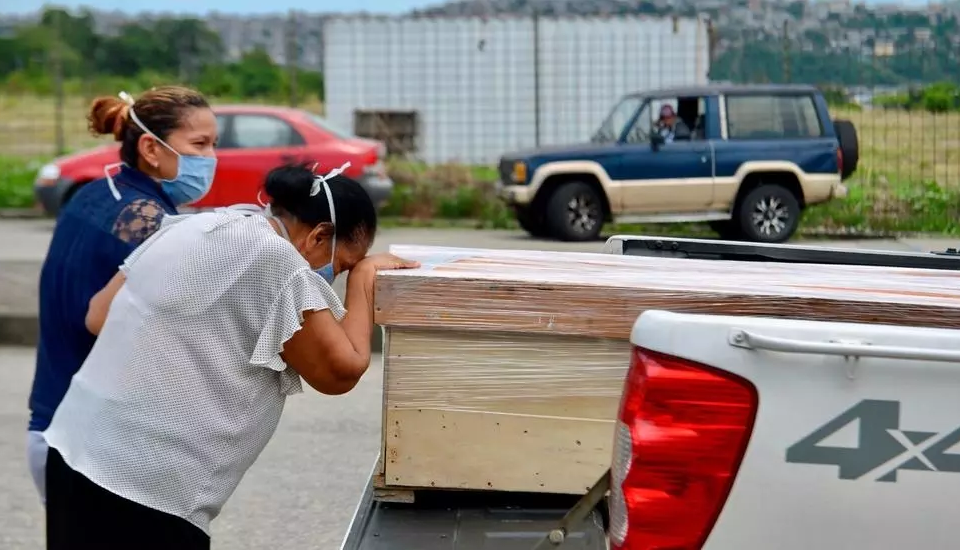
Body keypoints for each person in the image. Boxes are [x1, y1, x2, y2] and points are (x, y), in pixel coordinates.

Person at [42, 162, 419, 550]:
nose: (334, 277)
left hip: (74, 451)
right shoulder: (279, 262)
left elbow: (99, 314)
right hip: (145, 490)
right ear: (320, 235)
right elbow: (340, 371)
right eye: (341, 266)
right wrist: (364, 281)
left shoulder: (196, 225)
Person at [26, 85, 218, 503]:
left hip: (50, 423)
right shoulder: (148, 220)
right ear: (151, 147)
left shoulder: (94, 195)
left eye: (213, 144)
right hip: (93, 447)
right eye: (200, 144)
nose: (210, 158)